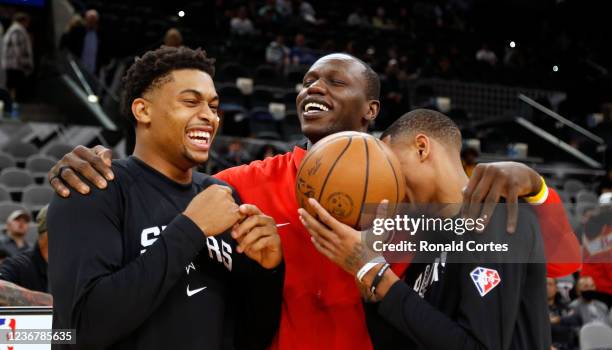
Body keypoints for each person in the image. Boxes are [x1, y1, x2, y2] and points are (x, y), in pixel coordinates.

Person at [46, 53, 581, 350]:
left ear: (371, 109)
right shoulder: (235, 185)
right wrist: (81, 170)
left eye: (333, 80)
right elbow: (154, 207)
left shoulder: (415, 196)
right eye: (305, 81)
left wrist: (534, 186)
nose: (311, 87)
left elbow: (559, 262)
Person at [48, 46, 283, 349]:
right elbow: (85, 329)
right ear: (143, 110)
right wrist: (191, 228)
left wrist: (268, 273)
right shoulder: (93, 185)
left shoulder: (223, 196)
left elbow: (251, 336)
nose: (209, 117)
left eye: (214, 106)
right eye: (190, 102)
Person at [300, 109, 551, 349]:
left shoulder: (496, 214)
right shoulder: (429, 239)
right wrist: (370, 288)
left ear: (421, 148)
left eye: (389, 165)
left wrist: (376, 272)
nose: (385, 181)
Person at [0, 205, 49, 293]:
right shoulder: (1, 244)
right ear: (8, 225)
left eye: (25, 221)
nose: (21, 223)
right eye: (17, 220)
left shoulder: (31, 248)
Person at [1, 12, 33, 101]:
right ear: (23, 21)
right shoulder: (17, 31)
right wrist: (24, 63)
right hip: (15, 64)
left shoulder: (12, 30)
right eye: (27, 22)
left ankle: (11, 102)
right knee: (15, 85)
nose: (28, 24)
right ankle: (12, 102)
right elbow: (17, 48)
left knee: (12, 84)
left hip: (12, 63)